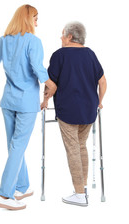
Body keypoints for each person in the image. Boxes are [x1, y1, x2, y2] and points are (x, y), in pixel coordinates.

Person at [0, 4, 57, 210]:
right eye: (35, 17)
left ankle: (21, 186)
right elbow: (38, 69)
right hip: (26, 103)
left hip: (8, 102)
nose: (37, 21)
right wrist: (52, 84)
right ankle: (4, 195)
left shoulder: (3, 40)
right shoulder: (34, 41)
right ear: (27, 19)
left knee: (14, 147)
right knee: (17, 147)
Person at [41, 21, 107, 207]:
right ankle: (82, 189)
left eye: (62, 35)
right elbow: (103, 82)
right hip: (89, 110)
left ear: (70, 36)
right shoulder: (90, 54)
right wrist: (100, 101)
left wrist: (45, 101)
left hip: (68, 110)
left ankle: (79, 194)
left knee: (73, 149)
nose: (60, 38)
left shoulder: (59, 55)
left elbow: (50, 84)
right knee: (80, 147)